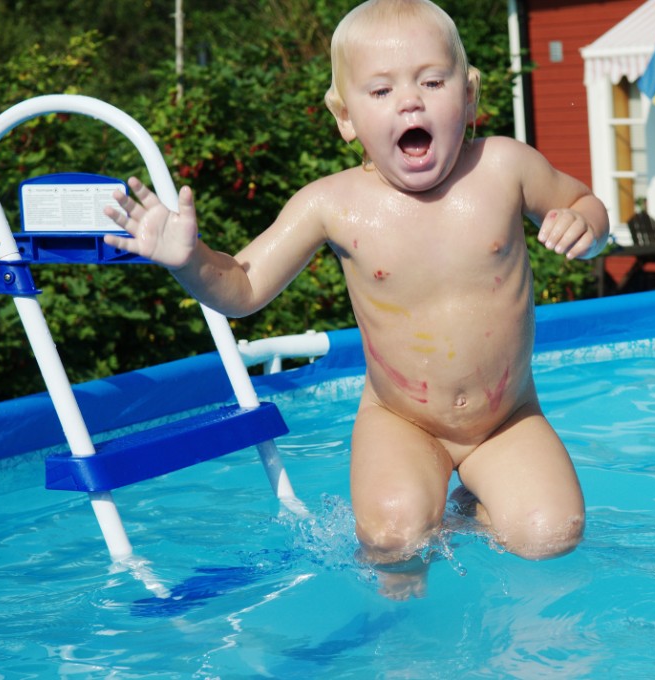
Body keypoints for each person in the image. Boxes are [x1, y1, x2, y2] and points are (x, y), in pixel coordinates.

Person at [103, 0, 609, 599]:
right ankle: (407, 638)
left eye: (431, 80)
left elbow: (585, 204)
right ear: (345, 117)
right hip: (402, 421)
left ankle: (476, 509)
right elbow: (242, 286)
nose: (410, 101)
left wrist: (584, 225)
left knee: (552, 535)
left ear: (468, 97)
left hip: (505, 420)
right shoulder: (331, 203)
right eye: (380, 90)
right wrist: (191, 261)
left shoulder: (504, 166)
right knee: (395, 542)